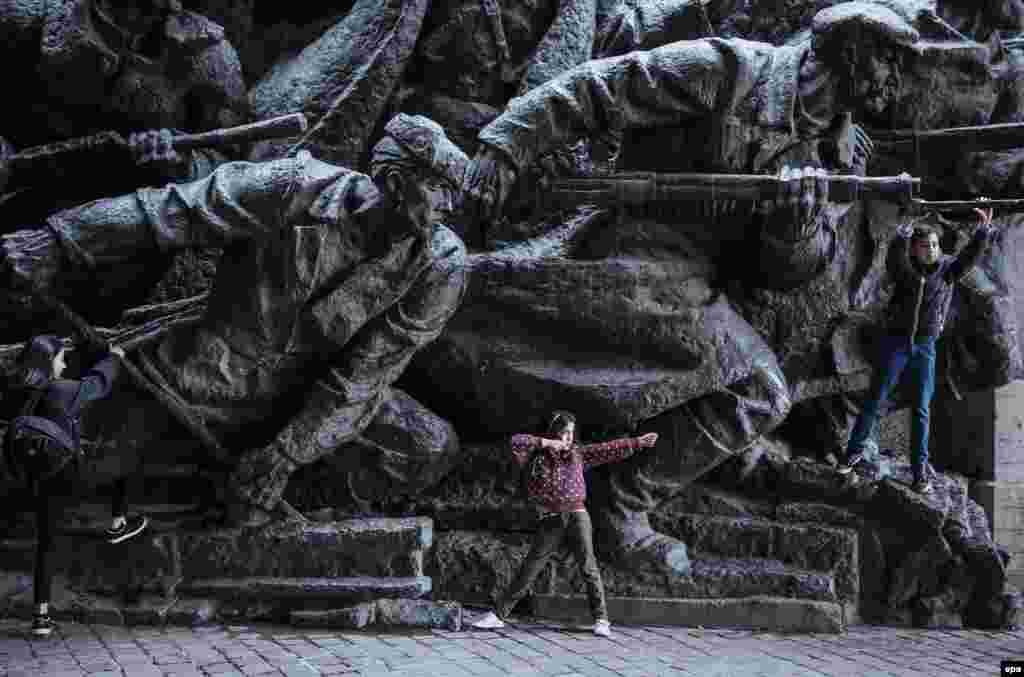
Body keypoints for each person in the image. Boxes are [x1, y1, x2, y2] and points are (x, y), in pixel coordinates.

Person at [1, 113, 470, 527]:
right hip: (205, 370)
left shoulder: (442, 264)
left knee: (426, 445)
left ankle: (270, 494)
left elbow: (366, 375)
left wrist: (286, 455)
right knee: (72, 462)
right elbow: (176, 210)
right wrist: (56, 241)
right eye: (438, 188)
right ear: (393, 179)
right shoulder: (293, 185)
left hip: (309, 399)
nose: (451, 205)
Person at [839, 207, 998, 492]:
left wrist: (983, 232)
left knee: (921, 410)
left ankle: (919, 473)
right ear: (915, 250)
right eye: (925, 246)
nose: (931, 251)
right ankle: (851, 456)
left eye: (935, 246)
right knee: (875, 400)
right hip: (896, 344)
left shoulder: (947, 271)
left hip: (925, 348)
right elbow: (894, 258)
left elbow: (968, 257)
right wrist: (902, 233)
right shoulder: (905, 270)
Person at [3, 335, 146, 638]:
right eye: (60, 358)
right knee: (129, 458)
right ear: (48, 361)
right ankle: (118, 523)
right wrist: (115, 357)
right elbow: (97, 384)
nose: (64, 364)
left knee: (47, 544)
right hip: (70, 476)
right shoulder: (60, 390)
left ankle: (40, 618)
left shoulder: (19, 394)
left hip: (39, 480)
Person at [471, 411, 658, 637]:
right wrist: (547, 443)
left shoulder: (578, 454)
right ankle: (499, 615)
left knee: (588, 567)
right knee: (531, 567)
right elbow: (516, 442)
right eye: (564, 432)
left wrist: (637, 442)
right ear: (553, 432)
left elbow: (607, 449)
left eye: (571, 432)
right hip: (551, 519)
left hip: (578, 515)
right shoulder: (535, 457)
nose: (568, 437)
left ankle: (601, 619)